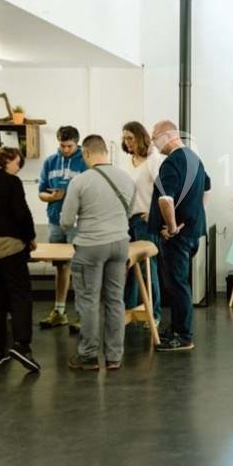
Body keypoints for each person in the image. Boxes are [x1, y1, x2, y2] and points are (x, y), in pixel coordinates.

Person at [61, 135, 135, 371]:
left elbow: (65, 221)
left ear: (86, 153)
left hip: (91, 246)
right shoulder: (126, 178)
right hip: (120, 243)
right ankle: (115, 356)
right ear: (106, 152)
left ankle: (89, 356)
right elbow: (130, 211)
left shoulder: (81, 181)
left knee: (89, 300)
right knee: (115, 299)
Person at [0, 147, 41, 373]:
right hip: (9, 245)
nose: (18, 168)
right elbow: (21, 212)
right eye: (17, 163)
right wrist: (30, 238)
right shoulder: (12, 183)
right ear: (7, 160)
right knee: (20, 293)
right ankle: (22, 344)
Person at [149, 120, 210, 353]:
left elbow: (166, 200)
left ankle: (183, 336)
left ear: (166, 136)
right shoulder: (195, 159)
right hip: (193, 232)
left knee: (177, 284)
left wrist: (173, 227)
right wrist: (196, 214)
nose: (154, 144)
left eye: (155, 138)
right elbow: (207, 188)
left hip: (177, 237)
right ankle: (176, 328)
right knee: (178, 283)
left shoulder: (171, 162)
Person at [37, 125, 87, 328]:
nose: (65, 149)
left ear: (77, 143)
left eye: (69, 146)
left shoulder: (85, 161)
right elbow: (41, 192)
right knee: (60, 267)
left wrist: (70, 195)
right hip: (55, 220)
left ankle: (84, 315)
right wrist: (51, 197)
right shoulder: (50, 161)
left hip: (79, 222)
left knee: (81, 267)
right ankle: (59, 311)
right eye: (62, 145)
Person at [121, 121, 163, 321]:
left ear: (140, 137)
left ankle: (154, 313)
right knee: (129, 266)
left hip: (145, 221)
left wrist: (154, 212)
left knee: (149, 268)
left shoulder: (153, 160)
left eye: (130, 138)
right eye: (125, 138)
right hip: (128, 220)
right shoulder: (128, 162)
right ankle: (128, 310)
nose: (127, 142)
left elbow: (163, 189)